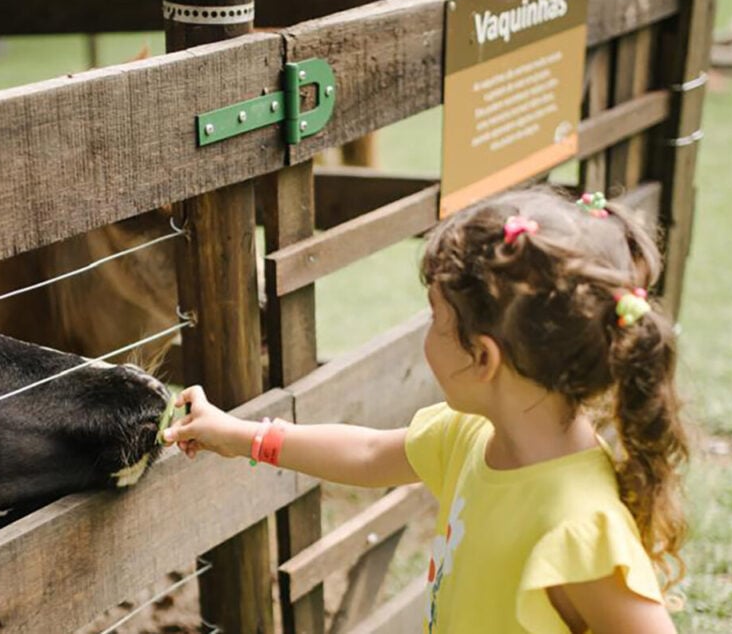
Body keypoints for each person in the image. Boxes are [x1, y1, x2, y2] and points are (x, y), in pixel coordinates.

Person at [162, 187, 687, 633]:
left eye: (435, 319)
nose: (426, 335)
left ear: (483, 357)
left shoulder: (577, 531)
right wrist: (240, 436)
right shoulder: (472, 436)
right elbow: (368, 453)